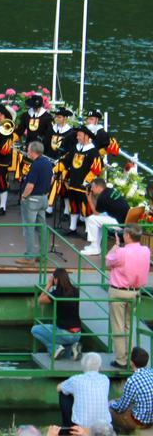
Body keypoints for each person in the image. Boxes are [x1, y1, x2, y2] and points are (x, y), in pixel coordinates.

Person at [106, 224, 151, 368]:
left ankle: (121, 359)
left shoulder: (122, 252)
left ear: (127, 236)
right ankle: (132, 359)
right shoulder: (146, 250)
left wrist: (116, 246)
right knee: (128, 325)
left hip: (119, 291)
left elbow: (108, 261)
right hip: (135, 292)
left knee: (118, 326)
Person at [31, 268, 82, 360]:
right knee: (65, 355)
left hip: (64, 333)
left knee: (35, 330)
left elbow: (40, 300)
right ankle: (73, 347)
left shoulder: (57, 293)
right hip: (77, 333)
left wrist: (49, 285)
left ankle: (55, 348)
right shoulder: (76, 291)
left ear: (56, 279)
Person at [17, 141, 54, 265]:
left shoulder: (36, 165)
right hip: (43, 198)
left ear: (33, 152)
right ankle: (43, 255)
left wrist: (23, 196)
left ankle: (29, 256)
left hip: (32, 199)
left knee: (29, 228)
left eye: (28, 150)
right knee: (42, 228)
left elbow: (30, 185)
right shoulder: (48, 163)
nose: (28, 152)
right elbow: (52, 179)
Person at [57, 352, 110, 430]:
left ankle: (67, 428)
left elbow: (58, 388)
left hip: (81, 427)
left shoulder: (76, 379)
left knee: (63, 392)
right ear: (99, 366)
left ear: (83, 366)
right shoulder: (105, 379)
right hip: (104, 428)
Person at [82, 177, 131, 257]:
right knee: (98, 220)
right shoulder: (109, 190)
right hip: (123, 218)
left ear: (98, 187)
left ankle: (95, 248)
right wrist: (93, 196)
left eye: (92, 187)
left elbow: (96, 213)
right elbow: (99, 210)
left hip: (119, 223)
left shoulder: (102, 198)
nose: (92, 189)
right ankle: (95, 245)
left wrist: (89, 199)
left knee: (92, 219)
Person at [110, 347, 153, 432]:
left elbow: (120, 408)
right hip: (151, 420)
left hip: (139, 422)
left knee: (110, 408)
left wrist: (112, 404)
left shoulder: (132, 380)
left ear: (131, 362)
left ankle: (119, 431)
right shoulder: (151, 372)